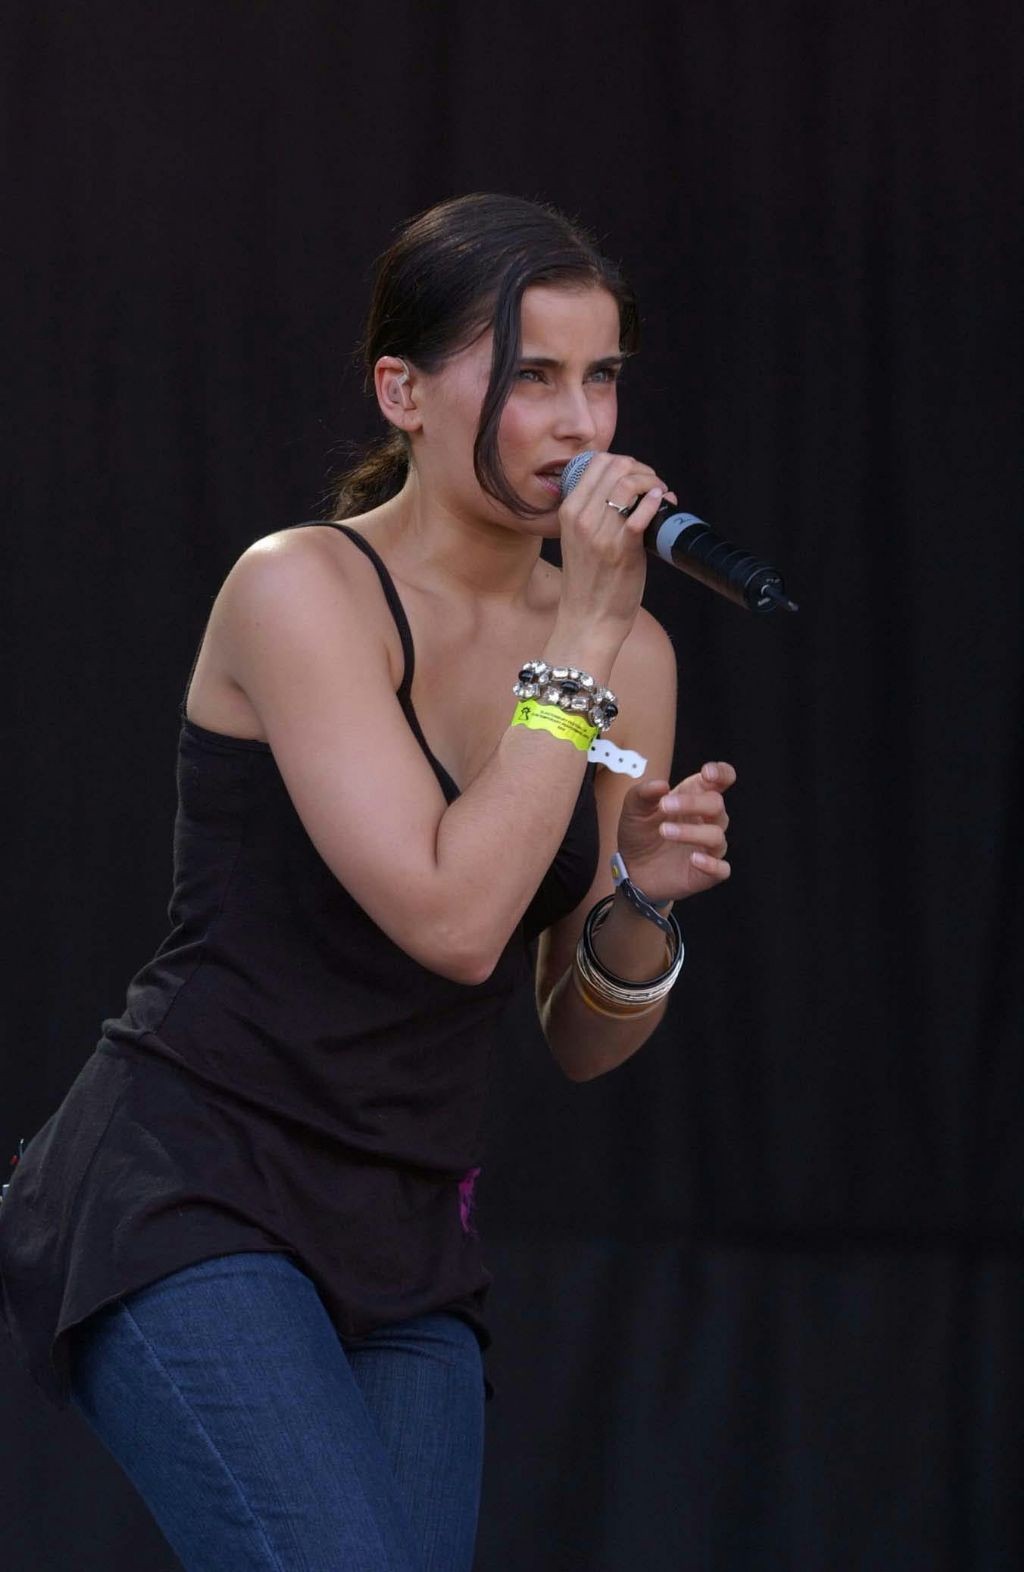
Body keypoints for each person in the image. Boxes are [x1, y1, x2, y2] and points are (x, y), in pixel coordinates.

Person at [0, 193, 735, 1572]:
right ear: (401, 392)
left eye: (602, 378)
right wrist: (582, 636)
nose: (580, 425)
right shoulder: (302, 589)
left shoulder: (631, 654)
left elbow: (578, 1034)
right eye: (531, 377)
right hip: (192, 1184)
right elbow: (453, 923)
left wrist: (637, 899)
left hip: (406, 1230)